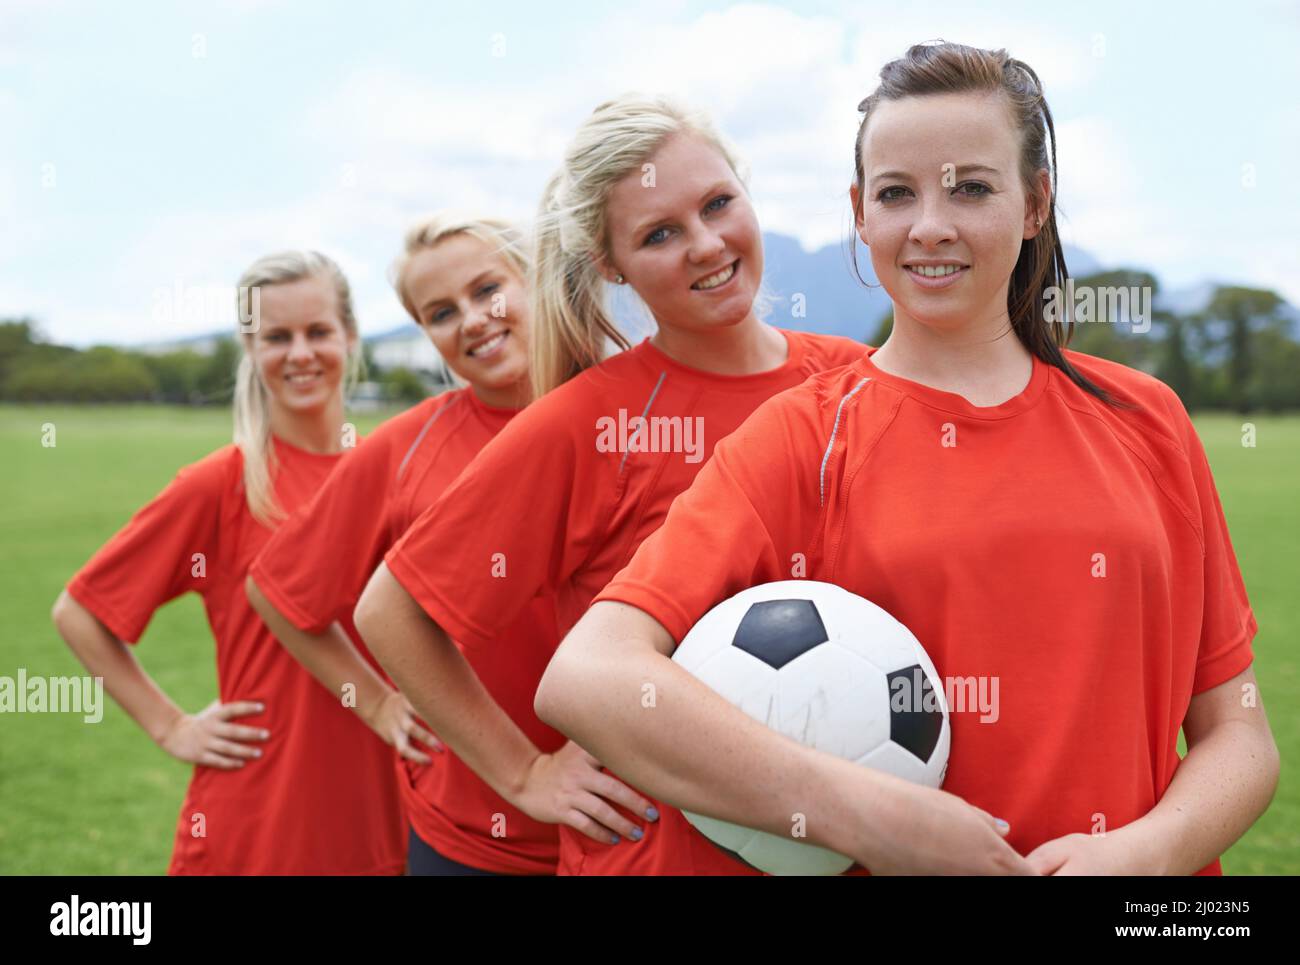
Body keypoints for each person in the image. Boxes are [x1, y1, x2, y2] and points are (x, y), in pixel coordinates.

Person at [536, 42, 1280, 875]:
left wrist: (1150, 851)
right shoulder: (801, 439)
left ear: (1035, 203)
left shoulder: (1148, 419)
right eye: (897, 193)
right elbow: (588, 676)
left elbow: (1240, 732)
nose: (931, 223)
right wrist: (864, 815)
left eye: (971, 187)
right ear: (861, 213)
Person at [354, 93, 869, 875]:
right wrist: (522, 773)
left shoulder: (857, 381)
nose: (704, 244)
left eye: (718, 204)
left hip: (850, 843)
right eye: (659, 234)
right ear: (609, 264)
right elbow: (391, 610)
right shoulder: (589, 421)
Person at [52, 251, 406, 874]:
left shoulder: (393, 470)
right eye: (277, 337)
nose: (300, 353)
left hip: (388, 814)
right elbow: (81, 612)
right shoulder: (224, 484)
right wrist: (172, 727)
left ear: (350, 336)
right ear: (250, 347)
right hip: (260, 820)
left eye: (318, 331)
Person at [246, 214, 575, 875]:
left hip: (638, 823)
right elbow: (278, 589)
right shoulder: (405, 448)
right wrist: (376, 701)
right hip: (472, 840)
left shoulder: (626, 407)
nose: (474, 319)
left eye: (488, 289)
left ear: (535, 279)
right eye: (441, 313)